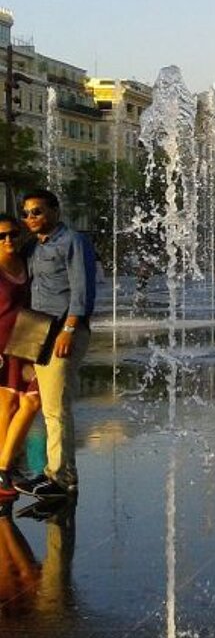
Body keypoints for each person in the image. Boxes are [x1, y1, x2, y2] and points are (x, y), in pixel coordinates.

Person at [9, 190, 96, 502]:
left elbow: (82, 290)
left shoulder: (72, 241)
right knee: (40, 404)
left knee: (56, 408)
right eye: (27, 213)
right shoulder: (32, 245)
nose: (31, 218)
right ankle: (40, 471)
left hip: (62, 330)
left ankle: (59, 478)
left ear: (55, 211)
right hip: (35, 329)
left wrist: (69, 330)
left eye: (37, 212)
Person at [0, 215, 41, 508]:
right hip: (1, 342)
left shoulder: (27, 259)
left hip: (29, 333)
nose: (8, 241)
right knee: (8, 405)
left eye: (13, 234)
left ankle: (3, 467)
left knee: (32, 402)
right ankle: (4, 471)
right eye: (1, 236)